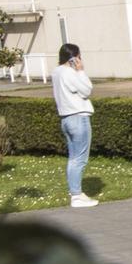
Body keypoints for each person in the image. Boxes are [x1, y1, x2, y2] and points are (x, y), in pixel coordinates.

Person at [52, 43, 98, 207]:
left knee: (73, 158)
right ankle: (76, 197)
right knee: (80, 159)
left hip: (66, 118)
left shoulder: (56, 72)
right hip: (78, 117)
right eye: (79, 56)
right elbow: (87, 90)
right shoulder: (70, 73)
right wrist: (81, 71)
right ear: (74, 58)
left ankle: (76, 192)